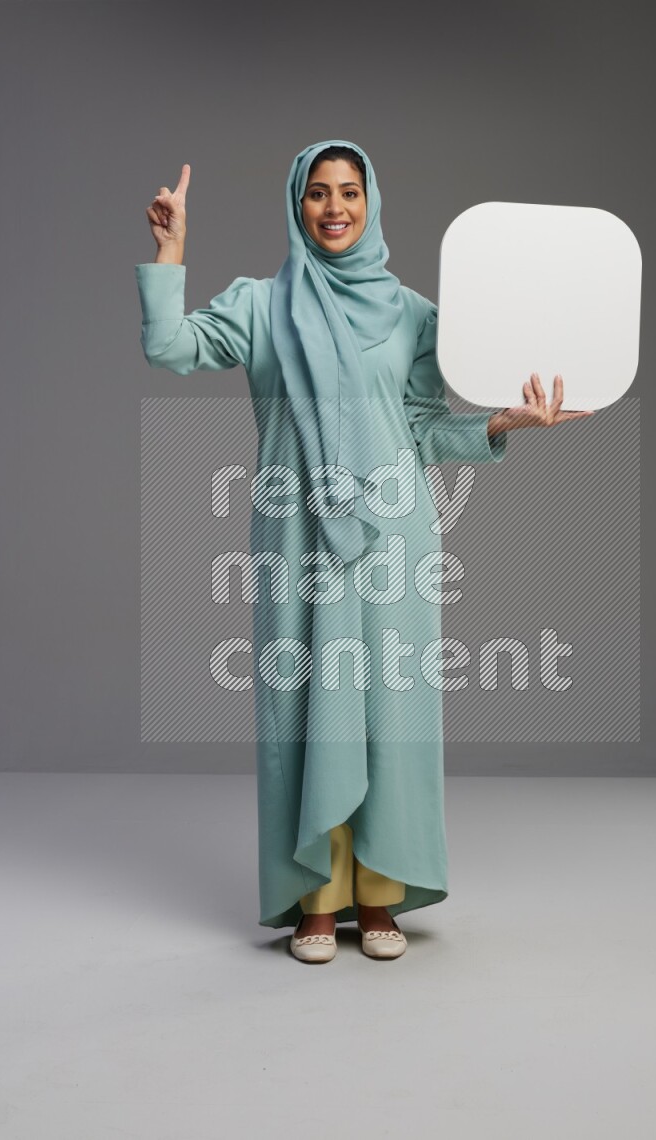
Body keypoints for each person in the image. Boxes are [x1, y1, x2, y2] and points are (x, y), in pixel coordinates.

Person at [136, 139, 593, 964]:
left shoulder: (414, 314)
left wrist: (504, 424)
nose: (335, 207)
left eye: (349, 191)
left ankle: (380, 894)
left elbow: (422, 431)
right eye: (318, 193)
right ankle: (318, 898)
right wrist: (171, 252)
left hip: (394, 537)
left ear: (372, 201)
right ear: (296, 204)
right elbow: (171, 349)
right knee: (305, 715)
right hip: (297, 539)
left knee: (390, 715)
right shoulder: (259, 305)